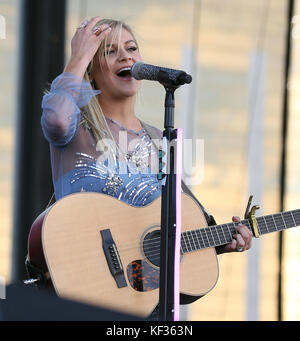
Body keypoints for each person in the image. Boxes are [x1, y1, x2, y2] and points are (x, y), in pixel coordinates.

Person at [41, 17, 253, 318]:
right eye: (110, 51)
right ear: (91, 68)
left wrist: (223, 241)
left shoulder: (161, 140)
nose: (126, 56)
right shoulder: (78, 128)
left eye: (131, 48)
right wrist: (78, 56)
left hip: (143, 305)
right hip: (81, 296)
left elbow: (176, 227)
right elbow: (56, 119)